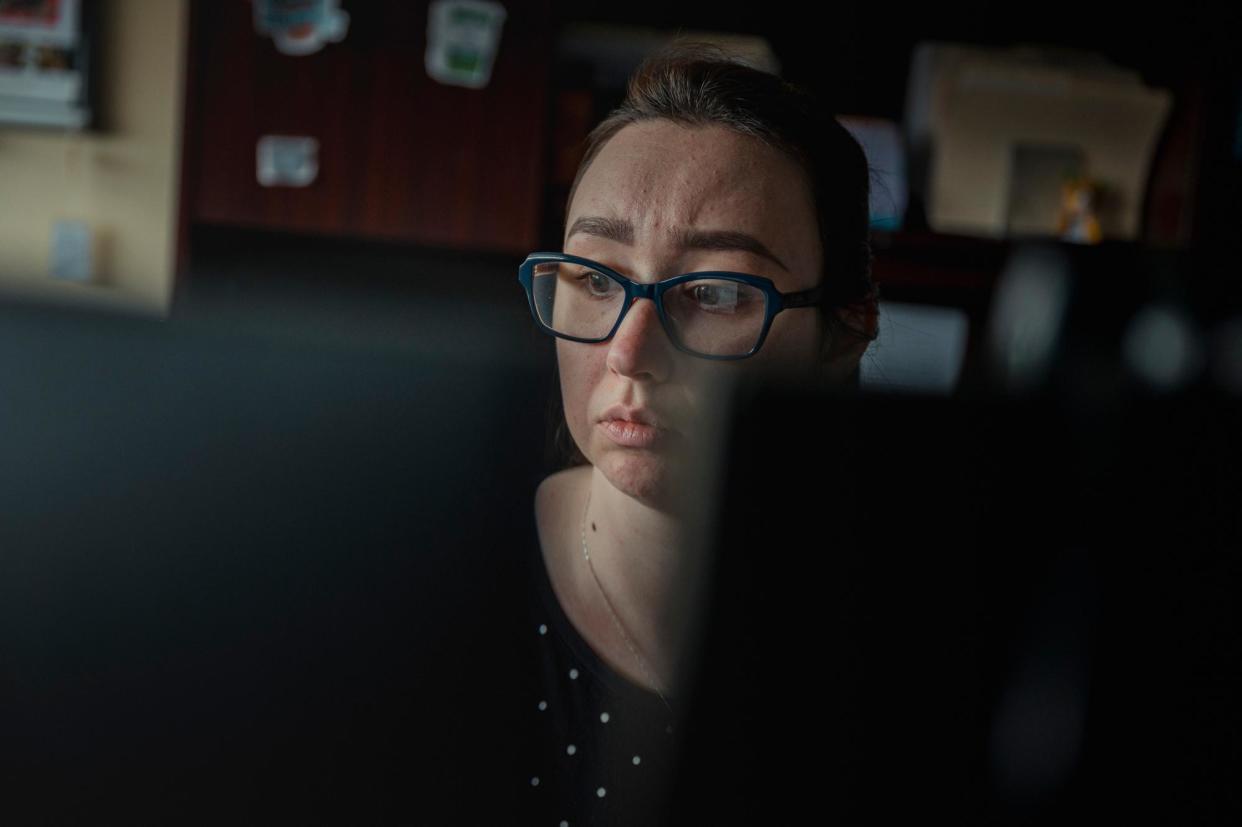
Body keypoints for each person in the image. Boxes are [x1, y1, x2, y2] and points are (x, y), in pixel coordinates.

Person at [512, 40, 880, 825]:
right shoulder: (442, 571)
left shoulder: (910, 626)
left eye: (712, 291)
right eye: (595, 278)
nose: (628, 351)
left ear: (845, 330)